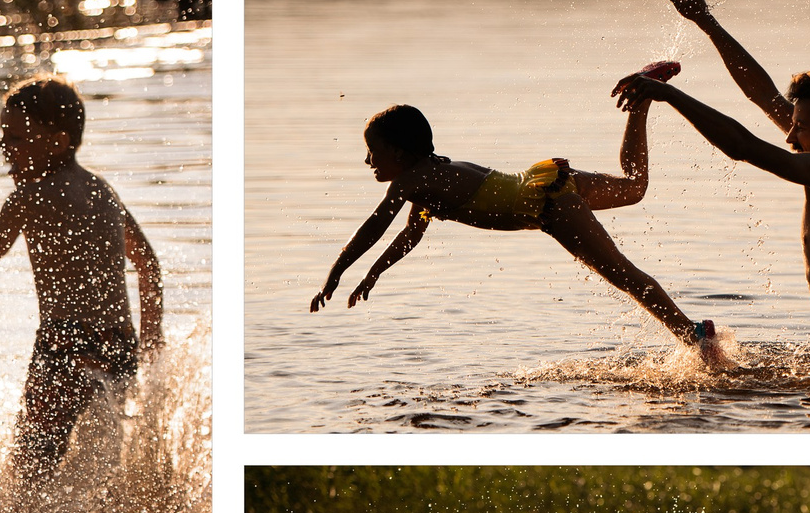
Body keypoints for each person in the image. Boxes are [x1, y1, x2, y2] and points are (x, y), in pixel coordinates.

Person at [617, 0, 810, 381]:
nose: (789, 136)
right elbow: (762, 94)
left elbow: (741, 146)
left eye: (800, 127)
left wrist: (668, 94)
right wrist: (706, 22)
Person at [312, 92, 729, 365]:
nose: (368, 162)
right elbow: (408, 234)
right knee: (634, 187)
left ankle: (696, 336)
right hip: (545, 181)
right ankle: (642, 100)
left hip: (547, 203)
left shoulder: (411, 181)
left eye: (373, 152)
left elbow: (374, 227)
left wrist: (335, 273)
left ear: (401, 153)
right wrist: (373, 274)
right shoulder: (427, 178)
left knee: (622, 274)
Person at [0, 76, 163, 479]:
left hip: (65, 345)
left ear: (56, 141)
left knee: (31, 467)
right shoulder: (102, 192)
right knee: (102, 465)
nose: (4, 148)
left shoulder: (27, 198)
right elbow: (149, 268)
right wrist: (151, 344)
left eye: (16, 138)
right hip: (118, 346)